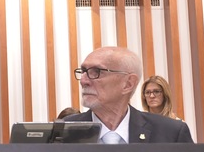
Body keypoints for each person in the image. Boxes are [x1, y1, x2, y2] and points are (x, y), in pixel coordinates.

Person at [64, 46, 193, 143]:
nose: (83, 81)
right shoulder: (63, 134)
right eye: (83, 71)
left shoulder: (171, 133)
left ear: (128, 84)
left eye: (96, 71)